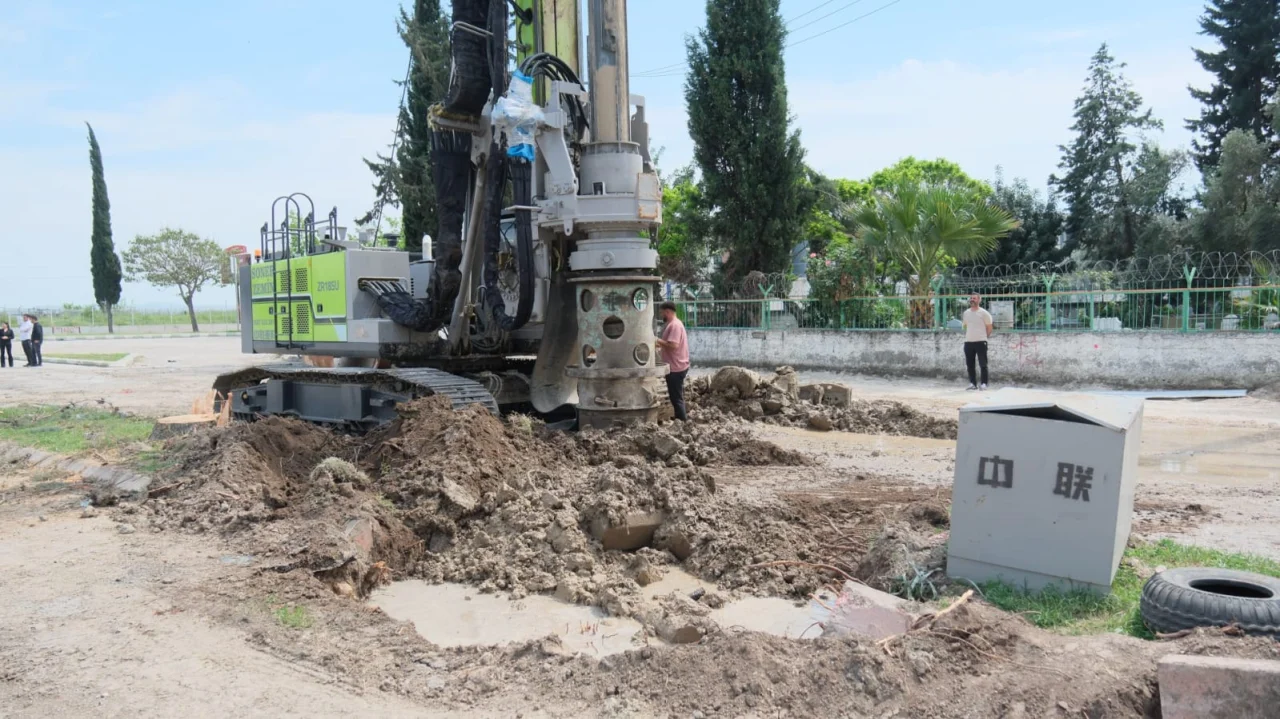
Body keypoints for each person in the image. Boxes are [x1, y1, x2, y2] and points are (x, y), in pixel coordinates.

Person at [654, 301, 690, 421]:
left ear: (667, 312)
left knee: (676, 398)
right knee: (676, 396)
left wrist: (657, 340)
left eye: (662, 313)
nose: (661, 315)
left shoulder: (674, 325)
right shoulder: (674, 324)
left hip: (676, 366)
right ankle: (679, 418)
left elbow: (673, 345)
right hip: (677, 365)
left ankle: (682, 422)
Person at [961, 294, 993, 390]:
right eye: (971, 298)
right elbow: (965, 326)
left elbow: (989, 327)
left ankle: (984, 384)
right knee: (970, 365)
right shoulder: (966, 313)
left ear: (979, 300)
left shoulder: (984, 313)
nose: (972, 300)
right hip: (968, 342)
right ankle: (972, 383)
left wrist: (983, 337)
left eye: (974, 298)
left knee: (983, 364)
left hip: (981, 342)